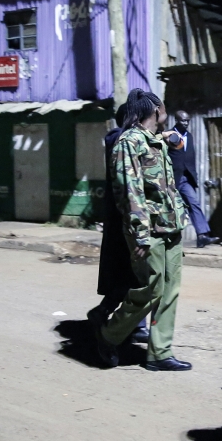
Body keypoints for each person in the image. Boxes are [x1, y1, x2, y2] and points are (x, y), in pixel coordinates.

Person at [93, 89, 192, 372]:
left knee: (170, 291)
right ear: (153, 109)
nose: (166, 110)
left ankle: (160, 353)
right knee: (151, 289)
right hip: (149, 231)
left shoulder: (154, 141)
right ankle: (108, 333)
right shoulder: (129, 142)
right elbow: (129, 192)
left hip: (171, 227)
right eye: (162, 106)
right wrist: (139, 233)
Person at [88, 104, 149, 344]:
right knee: (132, 274)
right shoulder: (121, 140)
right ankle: (104, 313)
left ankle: (131, 323)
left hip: (124, 215)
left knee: (133, 274)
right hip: (124, 216)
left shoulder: (119, 138)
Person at [164, 110, 220, 248]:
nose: (186, 123)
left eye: (188, 120)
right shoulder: (169, 135)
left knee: (194, 203)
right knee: (168, 208)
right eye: (183, 120)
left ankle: (202, 235)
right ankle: (164, 238)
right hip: (172, 178)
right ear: (177, 121)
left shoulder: (189, 136)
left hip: (185, 178)